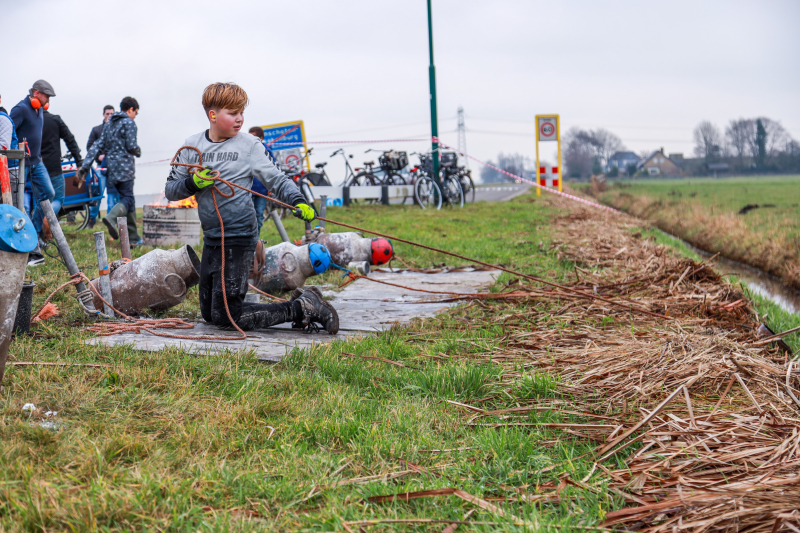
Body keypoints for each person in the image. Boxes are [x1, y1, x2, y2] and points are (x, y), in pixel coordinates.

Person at [165, 82, 338, 334]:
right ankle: (244, 306)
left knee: (227, 318)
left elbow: (277, 179)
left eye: (241, 113)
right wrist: (193, 182)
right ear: (213, 115)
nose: (240, 119)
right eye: (232, 113)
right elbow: (171, 190)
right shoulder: (192, 147)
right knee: (210, 315)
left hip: (239, 236)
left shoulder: (250, 145)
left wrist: (298, 200)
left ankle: (304, 307)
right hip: (213, 238)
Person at [77, 96, 142, 245]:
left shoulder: (109, 124)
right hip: (125, 167)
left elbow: (97, 146)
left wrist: (85, 166)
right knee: (128, 199)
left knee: (128, 201)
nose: (135, 116)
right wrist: (138, 151)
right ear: (131, 109)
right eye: (136, 113)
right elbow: (132, 146)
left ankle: (133, 238)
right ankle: (111, 217)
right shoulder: (129, 123)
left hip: (111, 168)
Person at [10, 80, 58, 266]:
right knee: (20, 204)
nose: (48, 100)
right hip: (21, 163)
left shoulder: (40, 111)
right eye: (46, 96)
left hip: (37, 162)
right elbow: (8, 133)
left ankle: (36, 230)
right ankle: (31, 243)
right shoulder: (20, 109)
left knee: (50, 194)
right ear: (36, 93)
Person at [41, 108, 83, 228]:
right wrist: (78, 160)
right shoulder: (55, 120)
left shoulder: (32, 121)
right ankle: (47, 219)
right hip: (54, 168)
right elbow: (70, 140)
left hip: (35, 167)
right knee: (58, 198)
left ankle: (38, 230)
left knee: (38, 200)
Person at [86, 105, 119, 228]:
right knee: (97, 195)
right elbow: (89, 146)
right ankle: (91, 220)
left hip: (114, 170)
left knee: (113, 198)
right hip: (100, 169)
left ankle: (110, 222)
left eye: (112, 114)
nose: (109, 116)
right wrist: (98, 156)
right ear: (103, 115)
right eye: (107, 114)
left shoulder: (118, 130)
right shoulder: (96, 130)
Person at [248, 125, 272, 235]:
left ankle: (255, 240)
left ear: (261, 138)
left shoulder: (266, 151)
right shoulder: (245, 150)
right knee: (246, 215)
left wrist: (270, 186)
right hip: (246, 188)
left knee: (258, 214)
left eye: (254, 136)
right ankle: (246, 240)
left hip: (261, 189)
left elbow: (272, 170)